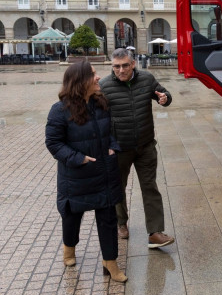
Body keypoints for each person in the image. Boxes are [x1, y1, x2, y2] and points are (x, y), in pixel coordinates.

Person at [45, 61, 127, 282]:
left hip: (104, 172)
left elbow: (111, 131)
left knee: (108, 218)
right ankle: (69, 247)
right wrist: (78, 159)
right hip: (76, 176)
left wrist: (113, 146)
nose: (98, 77)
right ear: (80, 82)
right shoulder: (59, 110)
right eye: (93, 75)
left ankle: (110, 262)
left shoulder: (101, 103)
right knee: (72, 217)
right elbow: (53, 143)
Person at [99, 48, 175, 248]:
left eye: (125, 65)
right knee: (119, 188)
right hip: (119, 149)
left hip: (145, 146)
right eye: (116, 66)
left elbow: (164, 93)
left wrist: (165, 98)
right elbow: (96, 118)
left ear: (133, 64)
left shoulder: (147, 79)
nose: (121, 70)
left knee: (150, 187)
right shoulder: (104, 86)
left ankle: (155, 232)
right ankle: (121, 223)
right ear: (112, 66)